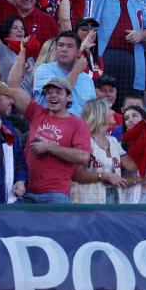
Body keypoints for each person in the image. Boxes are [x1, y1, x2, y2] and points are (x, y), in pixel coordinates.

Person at [8, 75, 92, 204]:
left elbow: (84, 156)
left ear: (68, 97)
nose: (52, 95)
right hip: (26, 191)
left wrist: (49, 147)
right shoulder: (37, 112)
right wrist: (23, 53)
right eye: (49, 92)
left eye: (58, 92)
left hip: (55, 194)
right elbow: (13, 86)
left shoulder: (77, 124)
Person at [72, 98, 142, 204]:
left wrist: (142, 137)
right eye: (110, 109)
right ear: (100, 113)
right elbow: (76, 175)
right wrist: (104, 176)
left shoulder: (113, 141)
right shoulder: (83, 140)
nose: (114, 112)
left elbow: (131, 166)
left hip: (113, 202)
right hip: (87, 204)